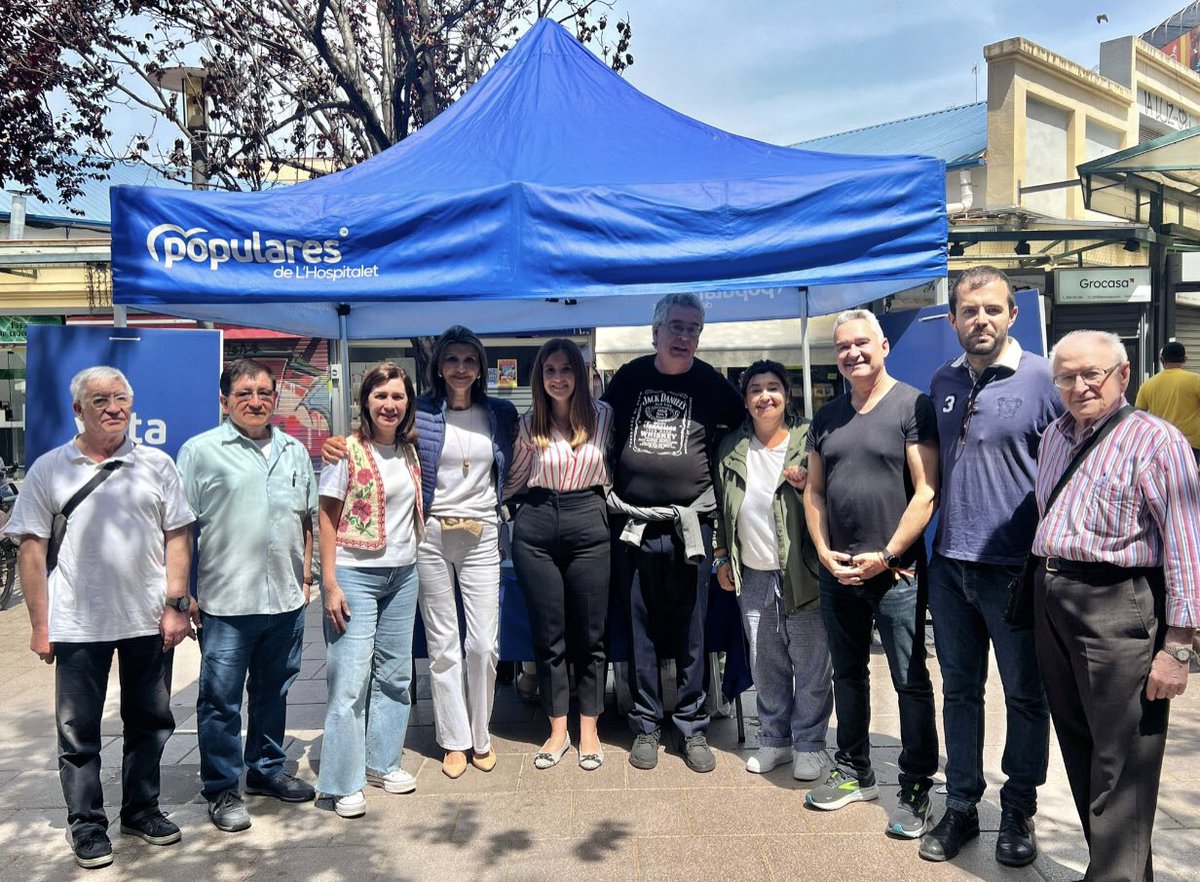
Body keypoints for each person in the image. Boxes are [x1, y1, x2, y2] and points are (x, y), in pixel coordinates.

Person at [6, 366, 194, 869]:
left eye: (120, 398)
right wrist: (39, 626)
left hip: (147, 618)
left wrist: (176, 604)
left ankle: (141, 809)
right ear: (78, 410)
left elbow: (179, 535)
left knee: (150, 722)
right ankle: (87, 825)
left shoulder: (157, 464)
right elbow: (30, 549)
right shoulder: (50, 468)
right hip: (76, 623)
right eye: (99, 400)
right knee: (78, 731)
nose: (113, 408)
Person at [1033, 330, 1200, 882]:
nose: (1079, 386)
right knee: (1080, 747)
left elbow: (1186, 548)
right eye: (1067, 377)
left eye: (1092, 374)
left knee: (1123, 761)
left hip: (1118, 603)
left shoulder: (1159, 442)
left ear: (1123, 375)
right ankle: (1119, 870)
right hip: (1053, 598)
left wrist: (1178, 647)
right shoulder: (1054, 437)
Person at [323, 326, 516, 779]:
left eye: (470, 360)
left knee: (484, 643)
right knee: (443, 641)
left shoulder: (502, 414)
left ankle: (481, 735)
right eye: (452, 360)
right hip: (429, 533)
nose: (461, 368)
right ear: (438, 366)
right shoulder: (423, 411)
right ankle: (453, 739)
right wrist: (339, 442)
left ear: (482, 367)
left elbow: (518, 461)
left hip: (483, 531)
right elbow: (377, 432)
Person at [920, 267, 1062, 865]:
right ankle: (961, 806)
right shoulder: (942, 380)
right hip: (951, 566)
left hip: (1016, 570)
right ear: (953, 319)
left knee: (1027, 696)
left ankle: (1019, 808)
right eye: (969, 310)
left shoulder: (1045, 379)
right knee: (960, 692)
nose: (980, 320)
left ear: (1013, 315)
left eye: (992, 310)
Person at [802, 308, 940, 839]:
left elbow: (926, 490)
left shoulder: (913, 405)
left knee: (910, 680)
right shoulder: (827, 415)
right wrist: (823, 550)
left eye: (862, 343)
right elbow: (814, 490)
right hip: (837, 570)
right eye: (843, 347)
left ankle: (917, 782)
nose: (853, 353)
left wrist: (887, 554)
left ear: (884, 345)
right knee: (848, 674)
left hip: (896, 573)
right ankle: (855, 770)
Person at [602, 292, 746, 773]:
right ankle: (644, 722)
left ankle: (691, 725)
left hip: (692, 527)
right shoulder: (628, 379)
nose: (685, 337)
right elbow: (601, 430)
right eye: (677, 327)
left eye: (693, 329)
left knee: (693, 628)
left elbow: (747, 430)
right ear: (656, 331)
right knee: (638, 624)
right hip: (633, 525)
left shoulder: (712, 384)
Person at [176, 359, 318, 833]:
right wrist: (182, 594)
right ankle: (221, 789)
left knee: (273, 691)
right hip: (227, 602)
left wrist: (306, 579)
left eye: (263, 392)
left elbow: (306, 519)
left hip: (285, 600)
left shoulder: (295, 450)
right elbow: (179, 529)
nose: (255, 401)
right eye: (244, 393)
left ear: (275, 398)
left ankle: (265, 770)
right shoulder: (200, 452)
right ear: (224, 401)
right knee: (220, 700)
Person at [712, 360, 832, 781]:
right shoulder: (731, 447)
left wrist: (810, 486)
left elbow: (838, 492)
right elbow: (720, 511)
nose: (765, 396)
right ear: (745, 400)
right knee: (766, 662)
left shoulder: (810, 437)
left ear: (787, 395)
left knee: (812, 662)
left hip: (804, 570)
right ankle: (775, 740)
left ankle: (811, 744)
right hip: (754, 572)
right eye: (756, 389)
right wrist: (722, 556)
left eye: (773, 388)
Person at [316, 362, 424, 817]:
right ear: (365, 402)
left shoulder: (409, 451)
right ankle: (342, 781)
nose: (389, 405)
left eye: (397, 397)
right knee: (349, 678)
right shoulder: (345, 452)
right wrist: (329, 581)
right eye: (380, 397)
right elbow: (325, 515)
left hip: (403, 572)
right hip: (356, 573)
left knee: (395, 676)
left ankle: (382, 761)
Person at [505, 338, 614, 770]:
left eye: (566, 368)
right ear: (540, 377)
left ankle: (589, 728)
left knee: (590, 634)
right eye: (549, 370)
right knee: (548, 636)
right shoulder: (528, 424)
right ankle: (556, 730)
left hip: (589, 517)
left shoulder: (605, 417)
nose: (558, 377)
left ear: (581, 374)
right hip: (535, 523)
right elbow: (512, 479)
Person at [1135, 341, 1200, 465]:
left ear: (1161, 360)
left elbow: (1138, 416)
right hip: (1192, 445)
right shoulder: (1196, 380)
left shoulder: (1147, 385)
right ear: (1185, 359)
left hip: (1160, 445)